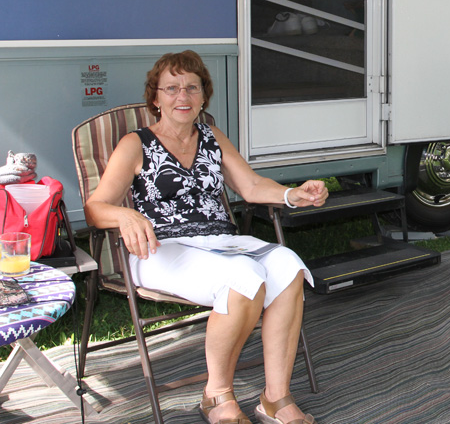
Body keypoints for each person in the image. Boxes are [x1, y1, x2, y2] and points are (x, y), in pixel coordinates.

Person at [85, 51, 326, 424]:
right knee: (243, 276)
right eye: (172, 88)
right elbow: (95, 207)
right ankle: (217, 395)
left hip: (220, 243)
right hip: (161, 249)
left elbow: (251, 185)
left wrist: (292, 194)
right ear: (156, 98)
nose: (182, 96)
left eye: (192, 88)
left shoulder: (213, 137)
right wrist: (125, 215)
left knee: (288, 265)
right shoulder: (136, 143)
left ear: (203, 97)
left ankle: (275, 397)